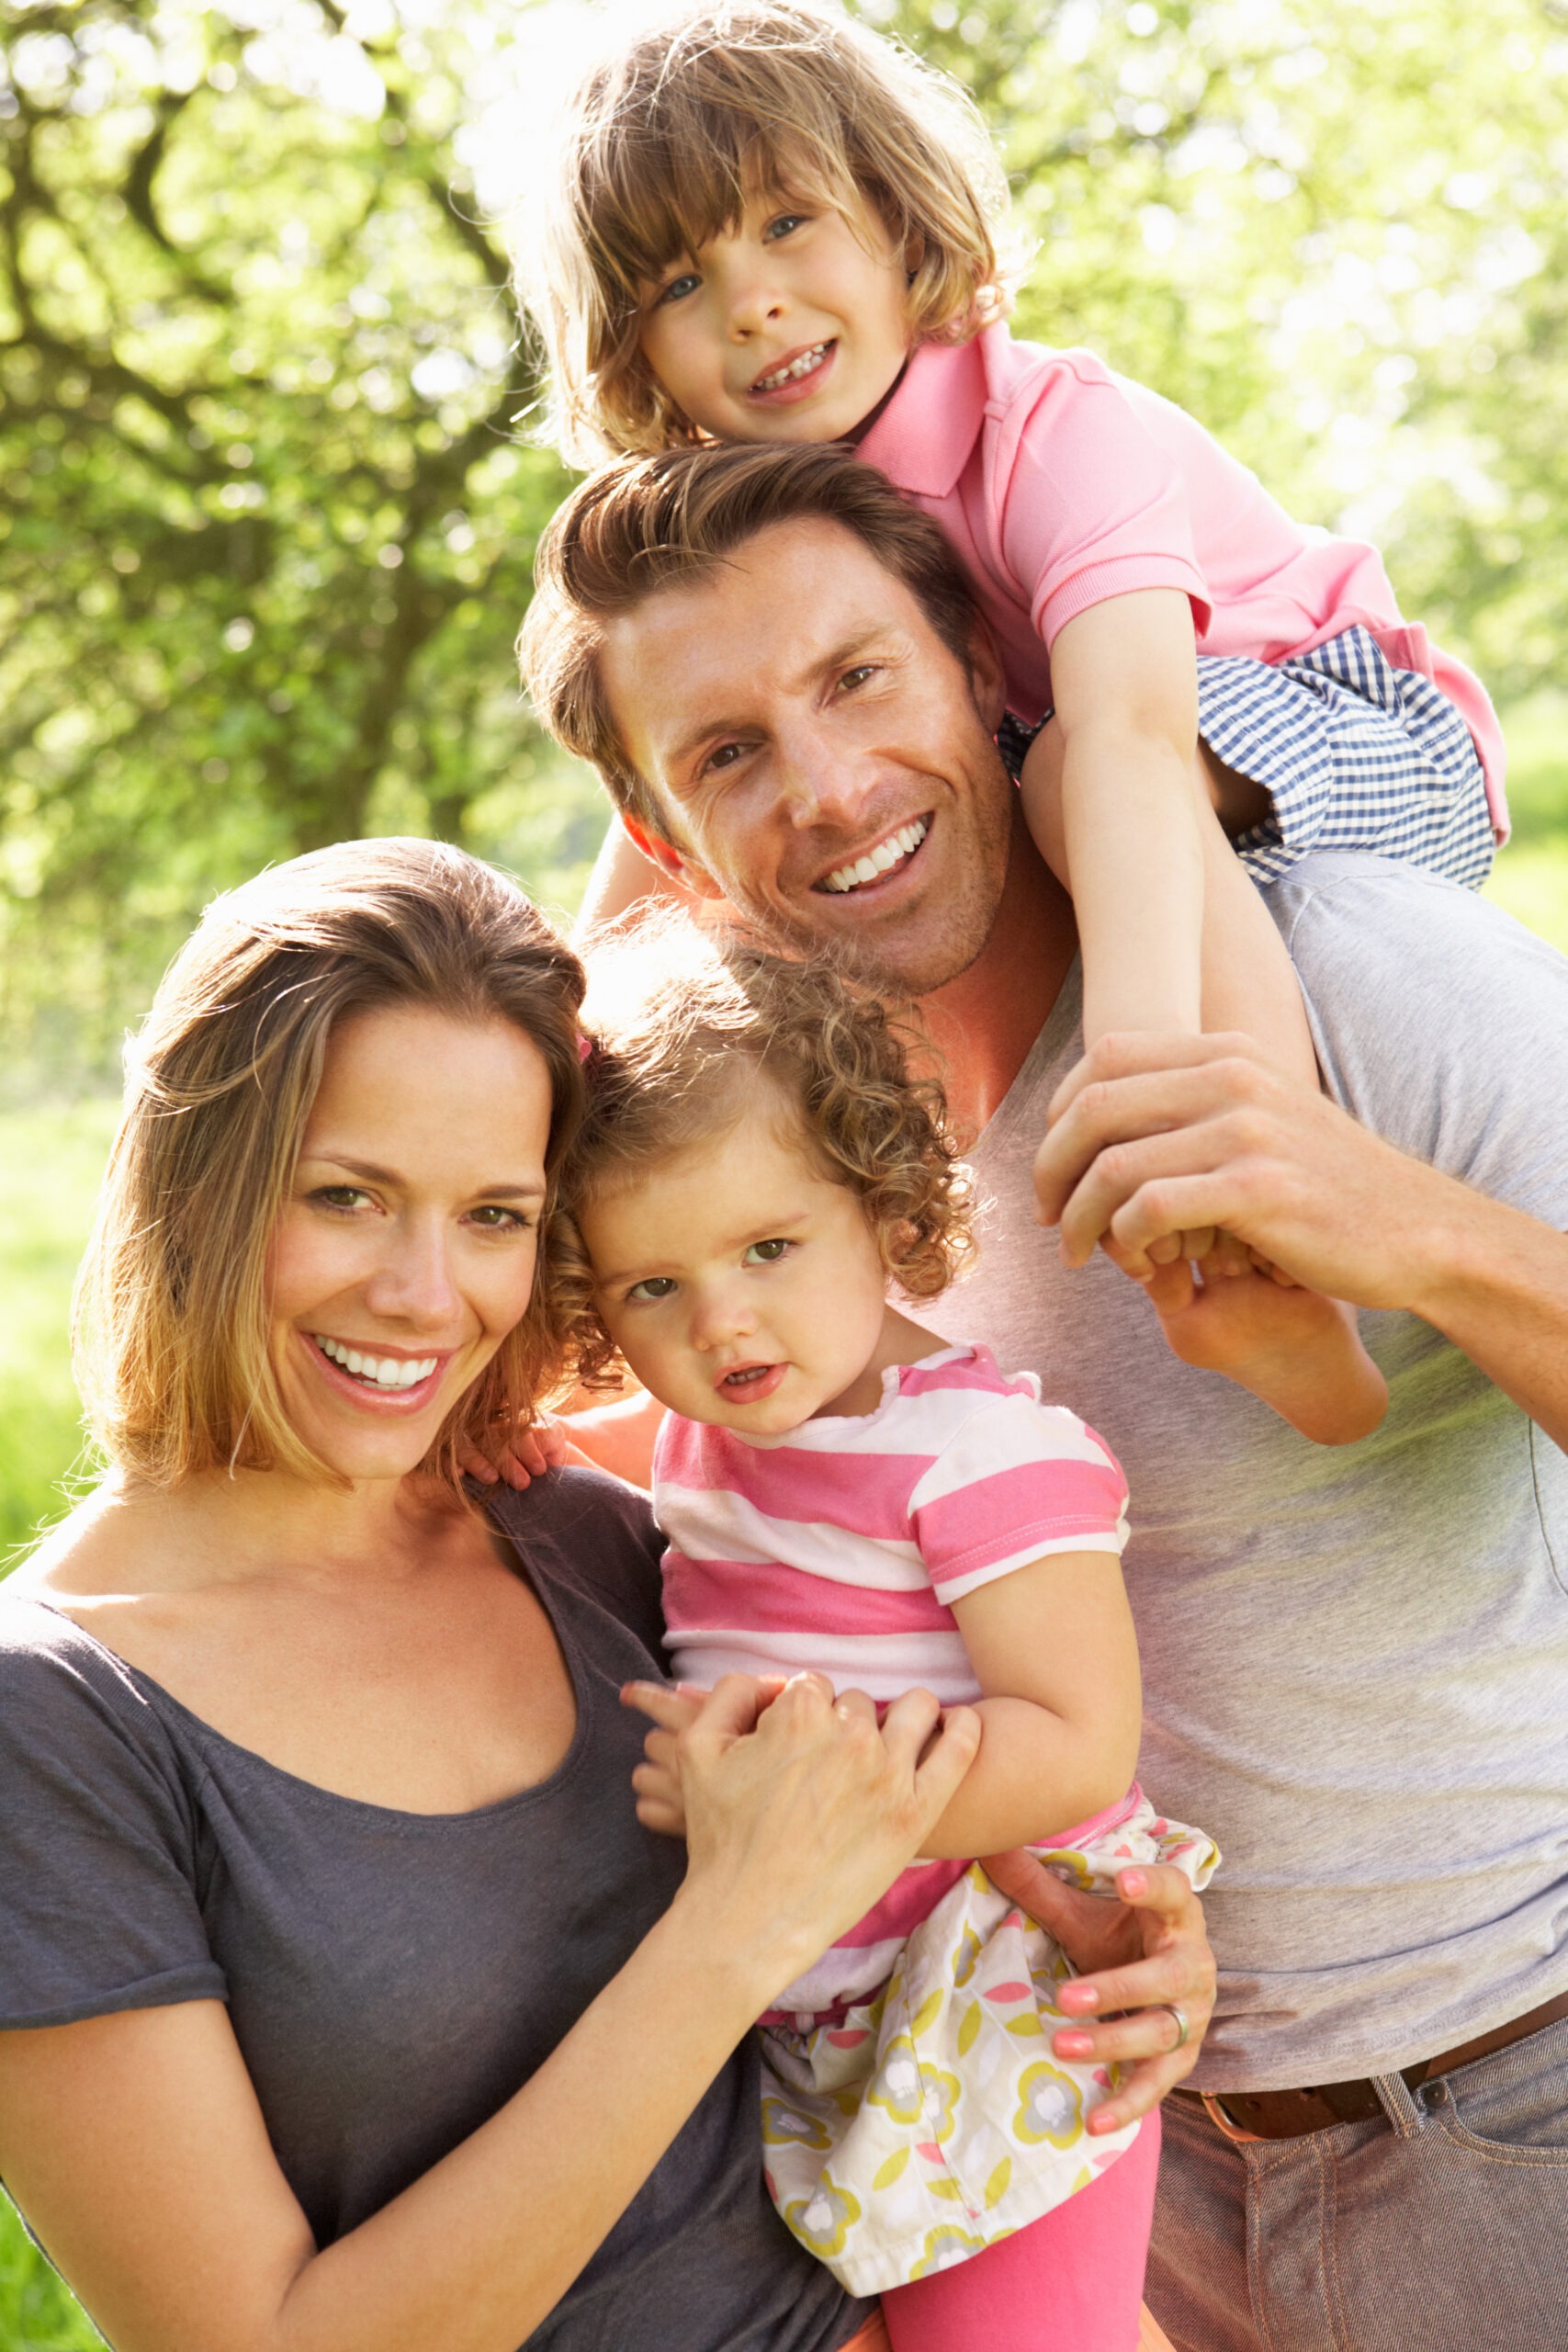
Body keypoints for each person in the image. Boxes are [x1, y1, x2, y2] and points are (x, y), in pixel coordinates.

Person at [518, 438, 1568, 2352]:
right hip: (1106, 2152)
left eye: (857, 678)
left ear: (983, 675)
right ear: (662, 840)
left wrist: (1408, 1232)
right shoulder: (769, 1196)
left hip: (1513, 2105)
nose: (828, 788)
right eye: (727, 752)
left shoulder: (1345, 978)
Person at [0, 835, 1213, 2352]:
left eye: (495, 1215)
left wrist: (1111, 1943)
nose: (428, 1296)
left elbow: (927, 1739)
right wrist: (737, 1924)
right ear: (202, 1183)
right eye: (349, 1194)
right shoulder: (55, 1718)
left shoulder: (571, 1530)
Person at [513, 0, 1513, 1444]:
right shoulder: (786, 539)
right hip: (1114, 756)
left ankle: (1240, 1211)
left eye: (790, 222)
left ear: (898, 215)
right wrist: (545, 1062)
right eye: (682, 280)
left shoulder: (1051, 425)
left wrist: (1143, 1063)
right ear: (638, 353)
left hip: (1364, 733)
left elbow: (1127, 737)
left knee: (1049, 784)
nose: (753, 304)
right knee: (772, 868)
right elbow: (664, 865)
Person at [549, 919, 1217, 2346]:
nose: (724, 1321)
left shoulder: (979, 1454)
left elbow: (1076, 1743)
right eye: (651, 1287)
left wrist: (785, 1813)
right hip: (827, 2018)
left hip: (999, 2003)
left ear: (882, 1205)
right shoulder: (715, 1426)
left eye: (770, 1247)